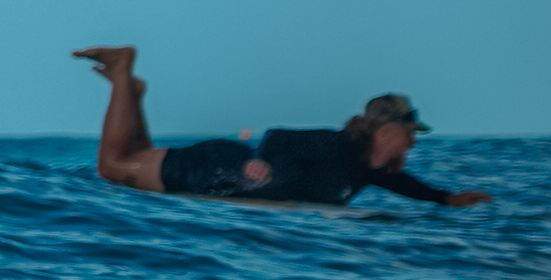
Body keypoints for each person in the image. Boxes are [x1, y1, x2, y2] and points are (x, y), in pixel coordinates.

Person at [72, 47, 490, 208]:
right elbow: (279, 136)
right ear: (385, 131)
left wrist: (446, 199)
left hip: (230, 178)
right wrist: (263, 162)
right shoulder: (337, 146)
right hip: (222, 169)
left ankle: (132, 92)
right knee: (114, 168)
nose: (413, 143)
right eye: (410, 133)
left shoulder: (368, 166)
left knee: (138, 160)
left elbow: (405, 186)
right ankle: (123, 71)